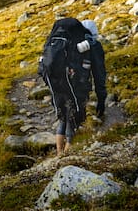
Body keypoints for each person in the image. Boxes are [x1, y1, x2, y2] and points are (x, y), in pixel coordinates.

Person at [40, 18, 108, 156]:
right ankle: (66, 157)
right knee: (73, 120)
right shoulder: (92, 45)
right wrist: (101, 99)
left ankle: (59, 154)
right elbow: (99, 74)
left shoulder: (65, 43)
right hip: (77, 86)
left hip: (57, 83)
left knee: (63, 118)